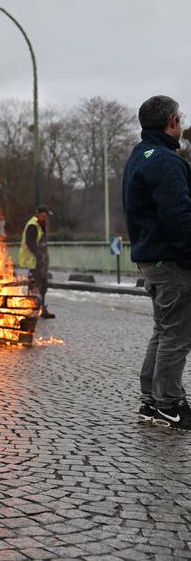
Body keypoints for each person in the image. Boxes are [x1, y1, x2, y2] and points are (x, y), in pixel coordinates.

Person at [123, 95, 191, 429]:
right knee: (176, 336)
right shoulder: (165, 161)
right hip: (170, 263)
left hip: (150, 261)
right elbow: (178, 217)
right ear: (172, 122)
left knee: (162, 332)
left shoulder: (139, 156)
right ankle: (170, 405)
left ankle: (151, 402)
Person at [18, 205, 56, 319]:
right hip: (35, 261)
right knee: (35, 286)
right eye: (45, 215)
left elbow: (41, 243)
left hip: (41, 260)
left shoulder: (41, 224)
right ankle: (32, 310)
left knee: (43, 286)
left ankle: (42, 309)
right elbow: (31, 244)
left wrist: (45, 258)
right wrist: (39, 256)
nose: (47, 217)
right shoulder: (33, 225)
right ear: (39, 214)